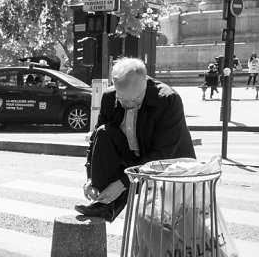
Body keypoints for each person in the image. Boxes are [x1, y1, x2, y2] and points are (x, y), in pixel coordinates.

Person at [75, 57, 196, 223]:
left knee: (170, 224)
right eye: (123, 99)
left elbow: (162, 153)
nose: (129, 104)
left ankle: (112, 202)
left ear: (145, 83)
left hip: (167, 163)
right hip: (133, 159)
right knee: (104, 132)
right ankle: (103, 202)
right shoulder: (109, 97)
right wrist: (90, 179)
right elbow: (97, 139)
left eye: (134, 99)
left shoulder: (168, 99)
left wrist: (123, 183)